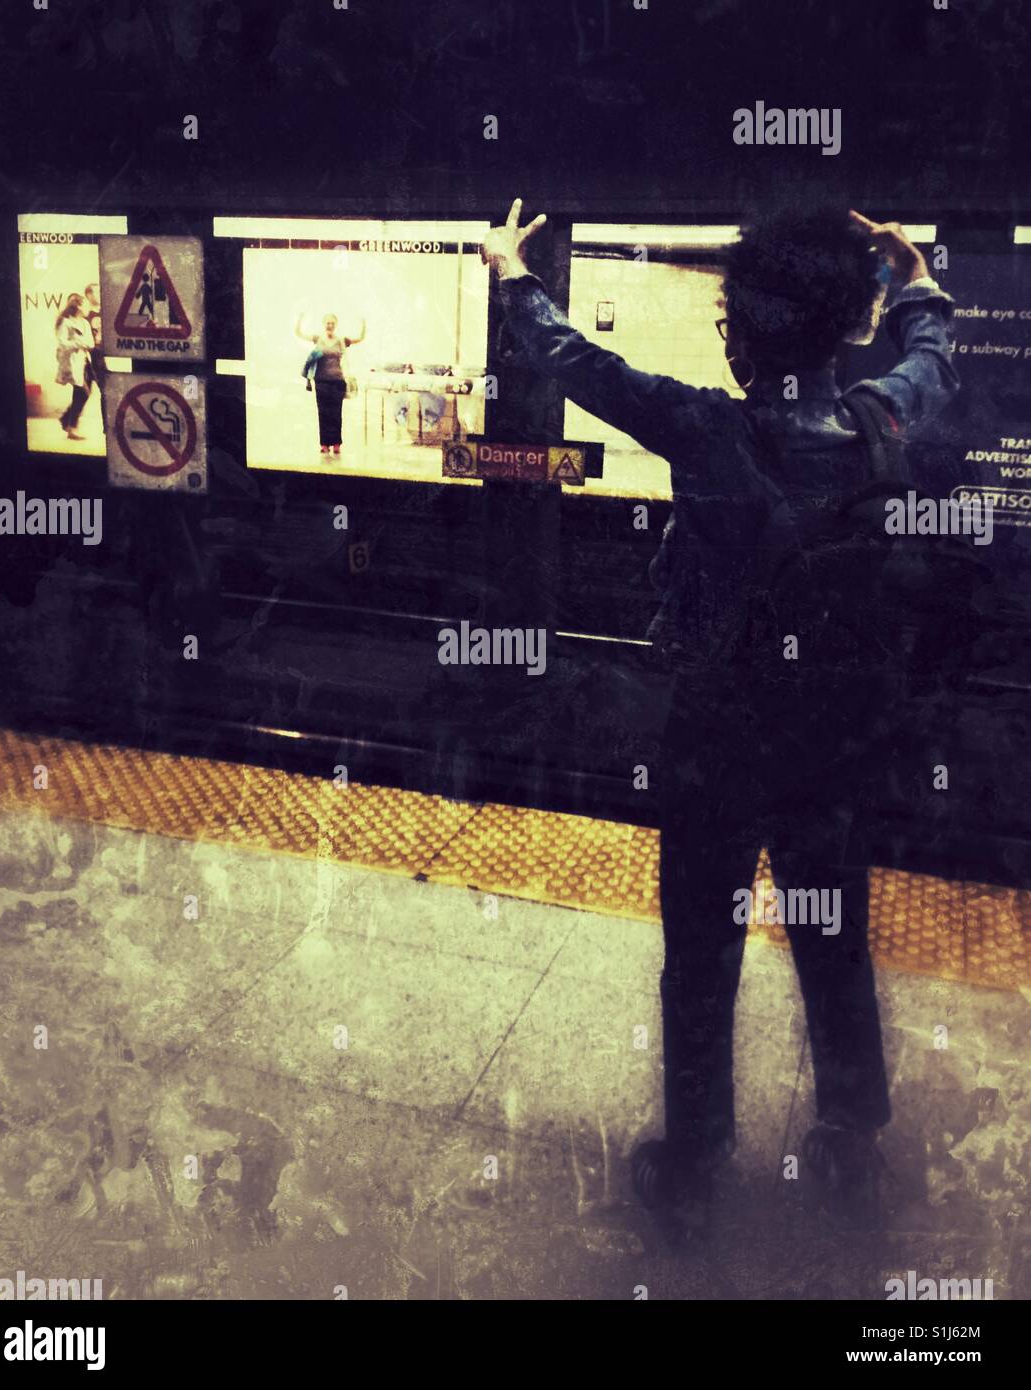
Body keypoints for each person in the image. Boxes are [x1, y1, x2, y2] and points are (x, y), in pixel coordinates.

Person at [482, 198, 959, 1243]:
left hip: (715, 735)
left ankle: (695, 1151)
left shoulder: (706, 427)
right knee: (833, 937)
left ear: (743, 337)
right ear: (846, 332)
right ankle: (850, 1128)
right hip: (830, 739)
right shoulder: (882, 417)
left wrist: (511, 273)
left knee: (701, 946)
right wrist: (911, 278)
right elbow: (934, 355)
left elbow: (574, 360)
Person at [295, 309, 366, 456]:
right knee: (323, 413)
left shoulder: (341, 340)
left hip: (338, 382)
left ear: (336, 325)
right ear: (324, 324)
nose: (330, 325)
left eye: (332, 323)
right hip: (321, 381)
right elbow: (299, 334)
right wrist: (300, 319)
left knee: (336, 414)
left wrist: (363, 323)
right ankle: (324, 444)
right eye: (327, 323)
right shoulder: (318, 339)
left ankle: (336, 444)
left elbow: (360, 338)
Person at [54, 292, 96, 441]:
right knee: (82, 393)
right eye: (84, 305)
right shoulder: (65, 322)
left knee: (83, 393)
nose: (87, 308)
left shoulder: (84, 323)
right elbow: (62, 343)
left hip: (85, 362)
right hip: (72, 363)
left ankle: (66, 420)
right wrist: (79, 343)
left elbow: (90, 343)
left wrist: (80, 342)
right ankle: (71, 427)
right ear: (78, 306)